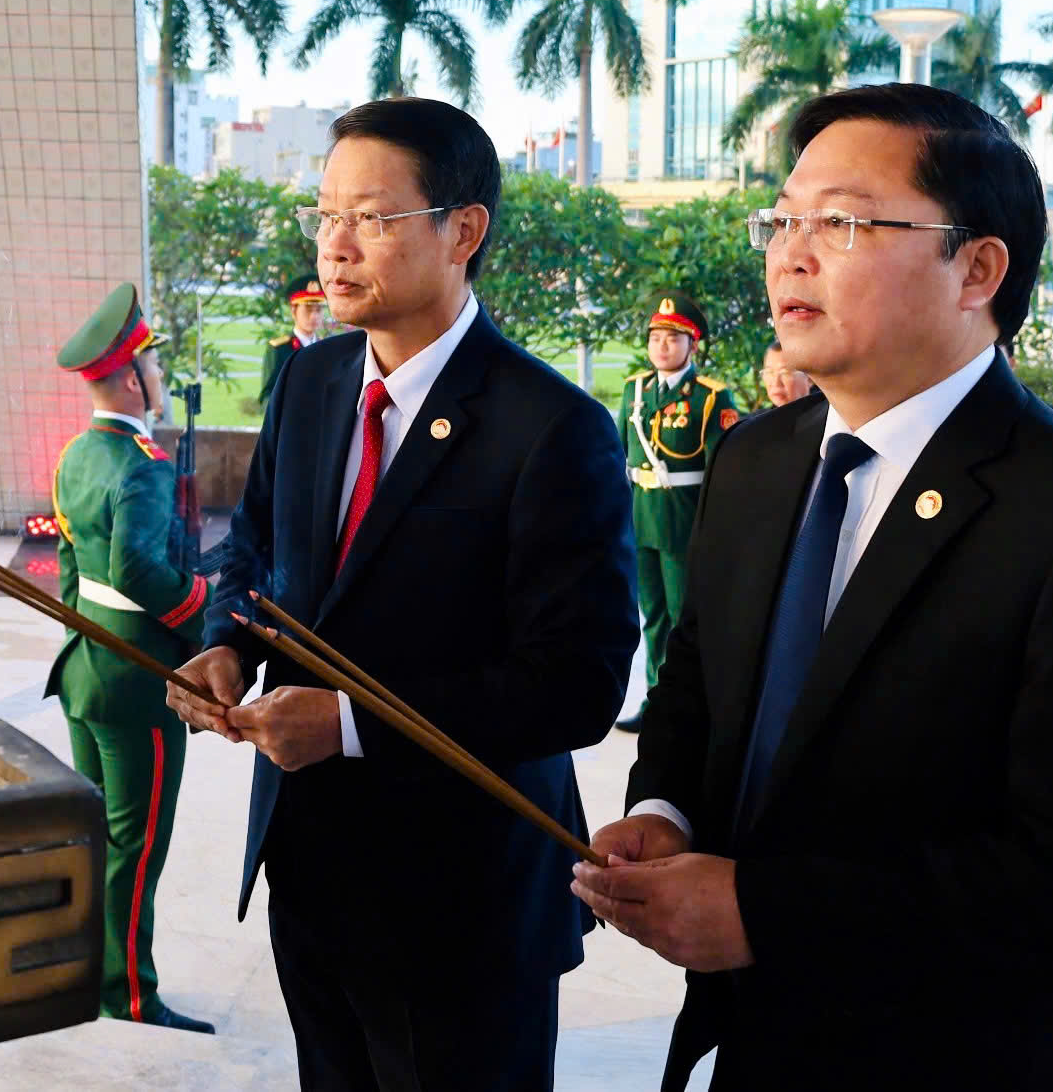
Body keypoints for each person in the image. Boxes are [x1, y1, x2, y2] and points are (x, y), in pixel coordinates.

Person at [581, 82, 1053, 1091]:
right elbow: (699, 684)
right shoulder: (755, 463)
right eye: (782, 220)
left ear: (976, 268)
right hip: (760, 1047)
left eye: (840, 223)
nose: (789, 254)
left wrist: (765, 913)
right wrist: (667, 809)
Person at [168, 97, 636, 1092]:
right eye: (325, 215)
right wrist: (227, 645)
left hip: (464, 903)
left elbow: (576, 684)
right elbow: (255, 547)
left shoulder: (552, 429)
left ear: (462, 231)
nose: (335, 246)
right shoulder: (312, 382)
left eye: (373, 219)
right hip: (309, 867)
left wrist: (347, 722)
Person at [45, 282, 214, 1033]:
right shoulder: (142, 465)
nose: (160, 376)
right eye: (153, 365)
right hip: (137, 684)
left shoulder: (77, 454)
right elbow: (139, 569)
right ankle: (129, 993)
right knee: (136, 848)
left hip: (85, 669)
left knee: (97, 841)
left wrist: (83, 638)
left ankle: (83, 974)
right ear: (130, 381)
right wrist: (205, 610)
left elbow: (70, 567)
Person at [615, 293, 738, 733]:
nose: (662, 346)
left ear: (692, 344)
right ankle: (656, 700)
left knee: (684, 618)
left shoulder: (710, 397)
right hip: (642, 517)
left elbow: (722, 469)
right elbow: (617, 456)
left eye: (672, 338)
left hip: (685, 521)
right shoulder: (635, 390)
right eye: (655, 338)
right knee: (652, 616)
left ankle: (689, 708)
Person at [259, 275, 328, 407]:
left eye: (318, 310)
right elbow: (267, 396)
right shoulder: (279, 349)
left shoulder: (327, 348)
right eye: (308, 310)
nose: (314, 316)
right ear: (293, 311)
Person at [758, 340, 813, 410]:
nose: (776, 383)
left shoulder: (825, 413)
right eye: (769, 372)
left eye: (784, 373)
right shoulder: (761, 416)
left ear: (810, 378)